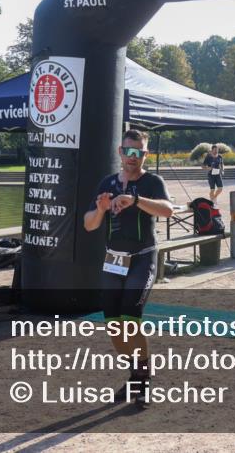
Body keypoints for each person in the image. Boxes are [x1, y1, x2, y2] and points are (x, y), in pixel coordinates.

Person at [83, 129, 173, 407]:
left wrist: (135, 200)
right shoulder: (107, 182)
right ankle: (137, 370)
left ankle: (144, 379)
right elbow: (89, 225)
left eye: (139, 153)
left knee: (131, 318)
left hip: (143, 257)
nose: (132, 157)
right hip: (114, 259)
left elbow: (167, 210)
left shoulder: (152, 182)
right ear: (120, 152)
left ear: (145, 155)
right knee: (113, 324)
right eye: (128, 151)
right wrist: (100, 209)